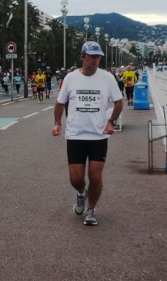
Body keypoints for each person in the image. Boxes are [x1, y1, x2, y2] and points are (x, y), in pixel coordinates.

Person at [52, 41, 123, 227]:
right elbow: (60, 103)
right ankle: (81, 193)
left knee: (95, 176)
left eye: (98, 57)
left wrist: (111, 121)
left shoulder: (107, 78)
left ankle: (91, 210)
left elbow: (119, 102)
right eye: (91, 57)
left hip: (98, 136)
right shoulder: (71, 78)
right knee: (76, 178)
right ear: (82, 57)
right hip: (75, 135)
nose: (95, 60)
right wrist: (58, 123)